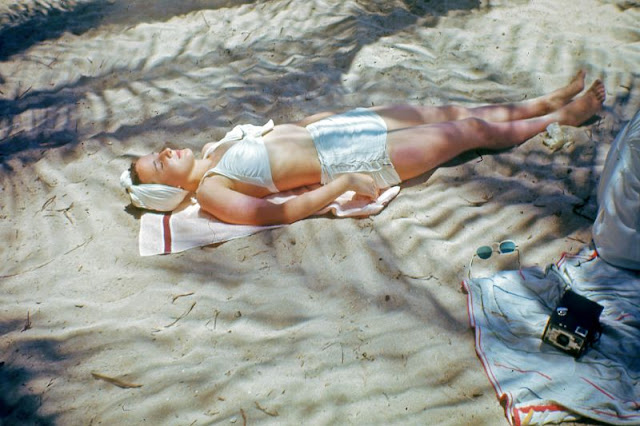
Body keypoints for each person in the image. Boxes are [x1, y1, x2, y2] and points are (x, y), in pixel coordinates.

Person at [121, 71, 606, 226]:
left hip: (342, 128)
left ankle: (542, 102)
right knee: (467, 131)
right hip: (349, 159)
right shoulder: (211, 191)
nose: (166, 152)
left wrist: (328, 118)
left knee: (450, 111)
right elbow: (279, 214)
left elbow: (283, 132)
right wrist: (344, 185)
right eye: (159, 165)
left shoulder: (212, 148)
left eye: (158, 151)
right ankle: (560, 118)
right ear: (169, 193)